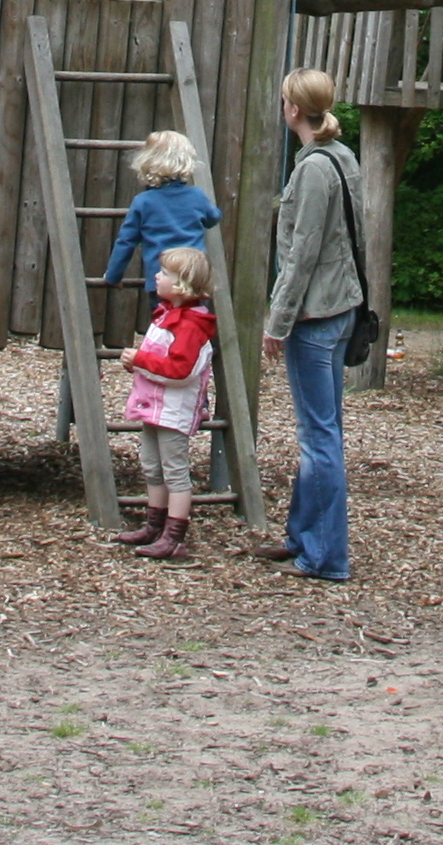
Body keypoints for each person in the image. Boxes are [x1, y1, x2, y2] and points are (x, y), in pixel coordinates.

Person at [250, 70, 368, 583]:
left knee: (319, 439)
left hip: (317, 319)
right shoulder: (343, 157)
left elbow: (302, 255)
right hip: (341, 310)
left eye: (283, 101)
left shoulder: (316, 169)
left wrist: (277, 322)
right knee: (325, 432)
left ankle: (325, 557)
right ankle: (302, 537)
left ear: (294, 110)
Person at [68, 129, 222, 461]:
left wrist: (113, 275)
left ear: (149, 166)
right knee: (196, 342)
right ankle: (201, 400)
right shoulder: (196, 197)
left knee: (165, 338)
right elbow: (214, 217)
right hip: (195, 284)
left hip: (163, 287)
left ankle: (158, 395)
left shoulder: (144, 202)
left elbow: (127, 240)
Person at [116, 248, 220, 562]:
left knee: (175, 472)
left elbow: (180, 370)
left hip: (172, 410)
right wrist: (137, 363)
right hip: (155, 406)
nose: (157, 276)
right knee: (152, 466)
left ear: (180, 287)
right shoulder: (167, 315)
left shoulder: (189, 326)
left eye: (164, 274)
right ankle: (154, 525)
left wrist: (140, 360)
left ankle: (174, 537)